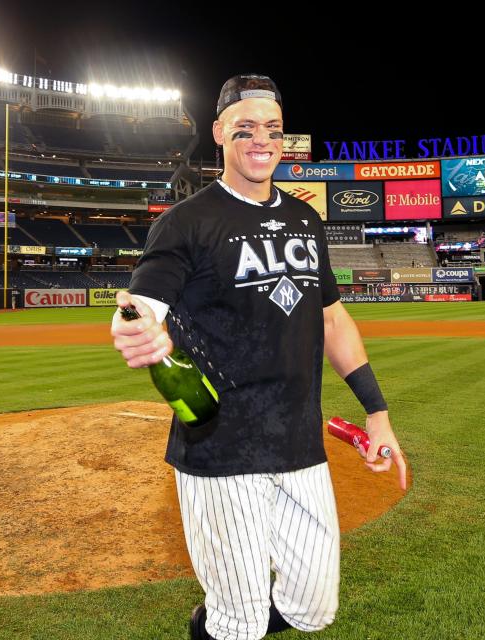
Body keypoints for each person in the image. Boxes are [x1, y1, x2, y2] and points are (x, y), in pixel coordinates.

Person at [110, 74, 406, 640]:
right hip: (220, 451)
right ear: (220, 133)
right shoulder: (186, 222)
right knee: (239, 623)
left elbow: (333, 318)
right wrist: (135, 326)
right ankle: (220, 624)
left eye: (272, 129)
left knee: (313, 610)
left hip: (300, 444)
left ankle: (219, 621)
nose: (260, 139)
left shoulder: (304, 220)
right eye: (244, 128)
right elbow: (141, 301)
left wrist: (377, 412)